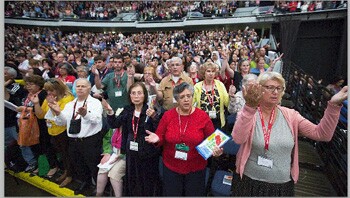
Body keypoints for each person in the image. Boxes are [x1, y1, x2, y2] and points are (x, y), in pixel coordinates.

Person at [230, 71, 348, 196]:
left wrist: (334, 105)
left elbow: (322, 134)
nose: (275, 92)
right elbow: (238, 139)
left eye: (279, 88)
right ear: (259, 89)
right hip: (249, 183)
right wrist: (249, 107)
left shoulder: (291, 116)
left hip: (281, 186)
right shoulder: (249, 113)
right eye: (270, 87)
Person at [145, 82, 223, 196]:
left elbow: (214, 140)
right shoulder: (168, 116)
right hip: (171, 167)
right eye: (182, 97)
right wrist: (157, 139)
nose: (186, 99)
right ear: (176, 99)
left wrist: (217, 150)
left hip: (196, 168)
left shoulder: (202, 117)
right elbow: (160, 136)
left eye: (188, 96)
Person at [103, 82, 163, 196]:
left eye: (139, 93)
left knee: (147, 181)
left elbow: (159, 131)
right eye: (133, 93)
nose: (136, 96)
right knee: (133, 179)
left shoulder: (150, 110)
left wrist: (154, 117)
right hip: (131, 152)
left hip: (148, 153)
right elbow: (115, 123)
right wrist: (110, 111)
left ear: (144, 95)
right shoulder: (127, 110)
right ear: (130, 96)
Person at [48, 78, 103, 194]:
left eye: (83, 86)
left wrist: (85, 114)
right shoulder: (70, 104)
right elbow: (62, 122)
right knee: (79, 164)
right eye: (78, 86)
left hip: (90, 141)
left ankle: (98, 187)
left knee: (93, 165)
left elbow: (97, 120)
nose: (80, 88)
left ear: (89, 88)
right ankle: (84, 182)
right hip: (74, 140)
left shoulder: (95, 103)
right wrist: (57, 113)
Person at [32, 78, 75, 187]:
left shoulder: (68, 99)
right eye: (47, 91)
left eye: (52, 90)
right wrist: (36, 103)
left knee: (67, 154)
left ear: (59, 88)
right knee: (61, 153)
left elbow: (62, 119)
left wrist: (52, 106)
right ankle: (66, 171)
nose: (49, 93)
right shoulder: (48, 99)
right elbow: (40, 115)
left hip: (64, 131)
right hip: (52, 131)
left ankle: (70, 175)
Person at [193, 62, 230, 130]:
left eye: (213, 71)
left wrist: (231, 96)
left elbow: (227, 103)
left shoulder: (220, 84)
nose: (211, 74)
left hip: (218, 121)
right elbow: (192, 104)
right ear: (204, 73)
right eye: (208, 71)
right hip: (202, 122)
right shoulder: (197, 86)